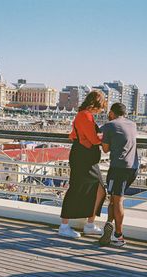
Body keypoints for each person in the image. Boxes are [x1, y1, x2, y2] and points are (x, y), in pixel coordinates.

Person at [59, 90, 107, 238]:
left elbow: (72, 135)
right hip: (83, 158)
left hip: (83, 157)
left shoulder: (83, 115)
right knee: (78, 188)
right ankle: (65, 226)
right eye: (100, 107)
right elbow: (94, 140)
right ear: (96, 105)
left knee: (96, 188)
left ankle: (89, 224)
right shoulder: (85, 116)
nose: (100, 110)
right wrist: (106, 136)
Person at [99, 103, 139, 247]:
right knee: (114, 199)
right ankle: (109, 225)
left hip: (119, 168)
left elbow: (105, 149)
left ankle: (118, 236)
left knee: (117, 200)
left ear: (111, 112)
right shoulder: (133, 124)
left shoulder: (110, 125)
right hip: (133, 167)